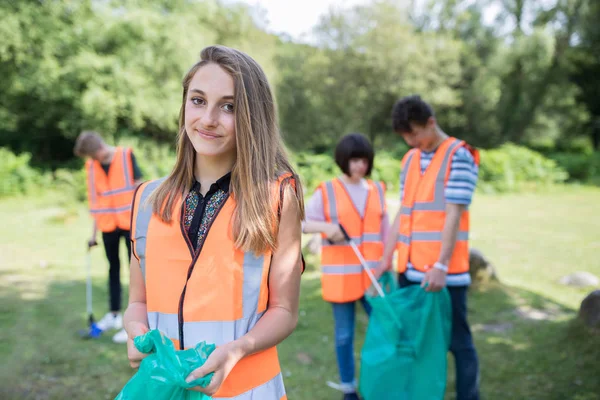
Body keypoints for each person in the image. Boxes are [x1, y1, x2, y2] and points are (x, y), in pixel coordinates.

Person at [124, 45, 305, 399]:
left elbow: (284, 310)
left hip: (247, 392)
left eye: (229, 107)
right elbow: (137, 301)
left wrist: (238, 349)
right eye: (197, 100)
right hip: (165, 391)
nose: (208, 118)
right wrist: (134, 329)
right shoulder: (147, 199)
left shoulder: (277, 195)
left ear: (253, 117)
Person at [378, 95, 481, 400]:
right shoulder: (410, 159)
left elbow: (454, 214)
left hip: (443, 275)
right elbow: (404, 211)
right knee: (412, 340)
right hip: (408, 271)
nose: (411, 142)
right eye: (406, 137)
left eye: (415, 133)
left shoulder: (459, 155)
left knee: (458, 342)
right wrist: (386, 257)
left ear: (431, 123)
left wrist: (441, 265)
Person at [303, 133, 388, 400]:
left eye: (364, 160)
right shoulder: (327, 190)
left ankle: (380, 382)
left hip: (374, 275)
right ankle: (349, 388)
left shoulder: (377, 190)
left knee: (383, 331)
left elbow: (385, 231)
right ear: (343, 160)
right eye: (354, 160)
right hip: (341, 278)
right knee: (343, 336)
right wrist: (328, 228)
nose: (359, 166)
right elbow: (301, 222)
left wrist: (387, 264)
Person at [74, 131, 143, 344]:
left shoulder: (126, 156)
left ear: (98, 150)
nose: (91, 160)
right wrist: (93, 235)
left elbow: (141, 189)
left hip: (130, 223)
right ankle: (114, 315)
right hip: (108, 227)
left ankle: (135, 322)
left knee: (136, 273)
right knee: (113, 269)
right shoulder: (91, 167)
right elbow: (96, 202)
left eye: (91, 155)